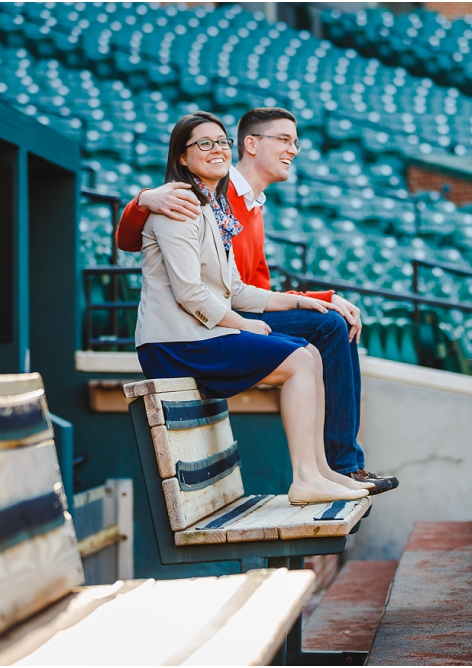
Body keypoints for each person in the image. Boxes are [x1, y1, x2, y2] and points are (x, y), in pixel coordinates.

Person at [116, 108, 398, 494]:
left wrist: (306, 301)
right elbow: (189, 292)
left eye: (220, 142)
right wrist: (241, 322)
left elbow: (238, 287)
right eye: (203, 143)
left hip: (204, 329)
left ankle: (321, 472)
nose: (216, 149)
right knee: (303, 355)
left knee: (310, 352)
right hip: (178, 340)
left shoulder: (215, 209)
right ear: (182, 156)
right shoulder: (179, 205)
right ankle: (310, 477)